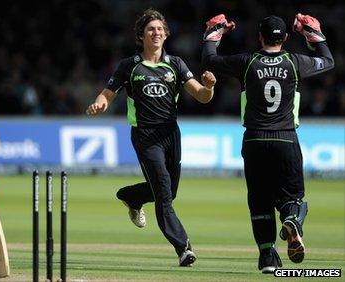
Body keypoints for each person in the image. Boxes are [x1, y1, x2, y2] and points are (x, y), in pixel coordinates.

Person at [201, 14, 334, 273]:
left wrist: (213, 33)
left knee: (259, 201)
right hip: (286, 138)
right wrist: (313, 32)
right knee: (293, 198)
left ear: (259, 37)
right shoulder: (295, 62)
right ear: (285, 38)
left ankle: (267, 258)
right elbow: (328, 60)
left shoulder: (247, 62)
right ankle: (292, 220)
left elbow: (209, 59)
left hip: (254, 140)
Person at [86, 9, 216, 266]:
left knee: (168, 192)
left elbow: (201, 95)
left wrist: (209, 86)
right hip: (145, 136)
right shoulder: (129, 66)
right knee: (164, 195)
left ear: (166, 34)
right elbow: (107, 94)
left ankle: (131, 196)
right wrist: (99, 104)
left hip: (170, 134)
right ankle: (183, 248)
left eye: (160, 29)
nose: (156, 33)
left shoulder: (176, 64)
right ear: (141, 35)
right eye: (150, 29)